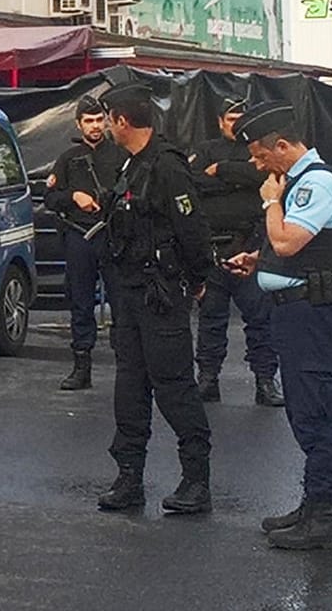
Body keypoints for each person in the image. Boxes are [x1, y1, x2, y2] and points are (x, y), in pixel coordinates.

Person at [226, 102, 332, 551]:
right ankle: (311, 504)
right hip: (292, 310)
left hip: (310, 314)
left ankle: (325, 519)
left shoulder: (315, 184)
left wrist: (271, 202)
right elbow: (287, 249)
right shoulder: (297, 183)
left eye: (261, 155)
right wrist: (259, 261)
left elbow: (287, 239)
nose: (258, 165)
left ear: (282, 145)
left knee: (316, 414)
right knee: (301, 411)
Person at [95, 82, 214, 515]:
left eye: (109, 119)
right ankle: (129, 477)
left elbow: (193, 231)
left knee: (174, 386)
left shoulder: (167, 167)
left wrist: (199, 279)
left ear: (122, 121)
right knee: (129, 387)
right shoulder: (130, 167)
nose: (107, 127)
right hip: (130, 293)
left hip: (161, 294)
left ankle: (196, 481)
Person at [190, 98, 283, 406]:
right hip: (214, 247)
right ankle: (207, 379)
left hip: (251, 246)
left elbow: (264, 178)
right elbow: (193, 180)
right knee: (211, 319)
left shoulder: (258, 151)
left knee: (261, 320)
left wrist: (223, 171)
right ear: (220, 121)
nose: (235, 123)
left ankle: (265, 381)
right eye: (230, 118)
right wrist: (236, 181)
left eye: (241, 118)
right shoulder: (204, 150)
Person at [43, 94, 127, 390]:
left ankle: (127, 367)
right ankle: (82, 366)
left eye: (98, 120)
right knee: (80, 302)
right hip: (79, 236)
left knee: (122, 301)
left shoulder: (121, 155)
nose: (94, 126)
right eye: (88, 121)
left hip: (113, 234)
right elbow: (50, 199)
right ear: (78, 124)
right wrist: (73, 197)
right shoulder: (67, 160)